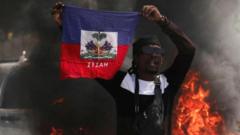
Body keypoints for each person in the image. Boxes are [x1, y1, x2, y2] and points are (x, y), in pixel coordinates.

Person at [52, 2, 195, 135]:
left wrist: (162, 21)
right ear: (137, 58)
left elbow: (188, 49)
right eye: (149, 51)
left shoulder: (167, 83)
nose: (154, 56)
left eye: (159, 53)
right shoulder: (122, 82)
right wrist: (64, 26)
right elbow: (88, 56)